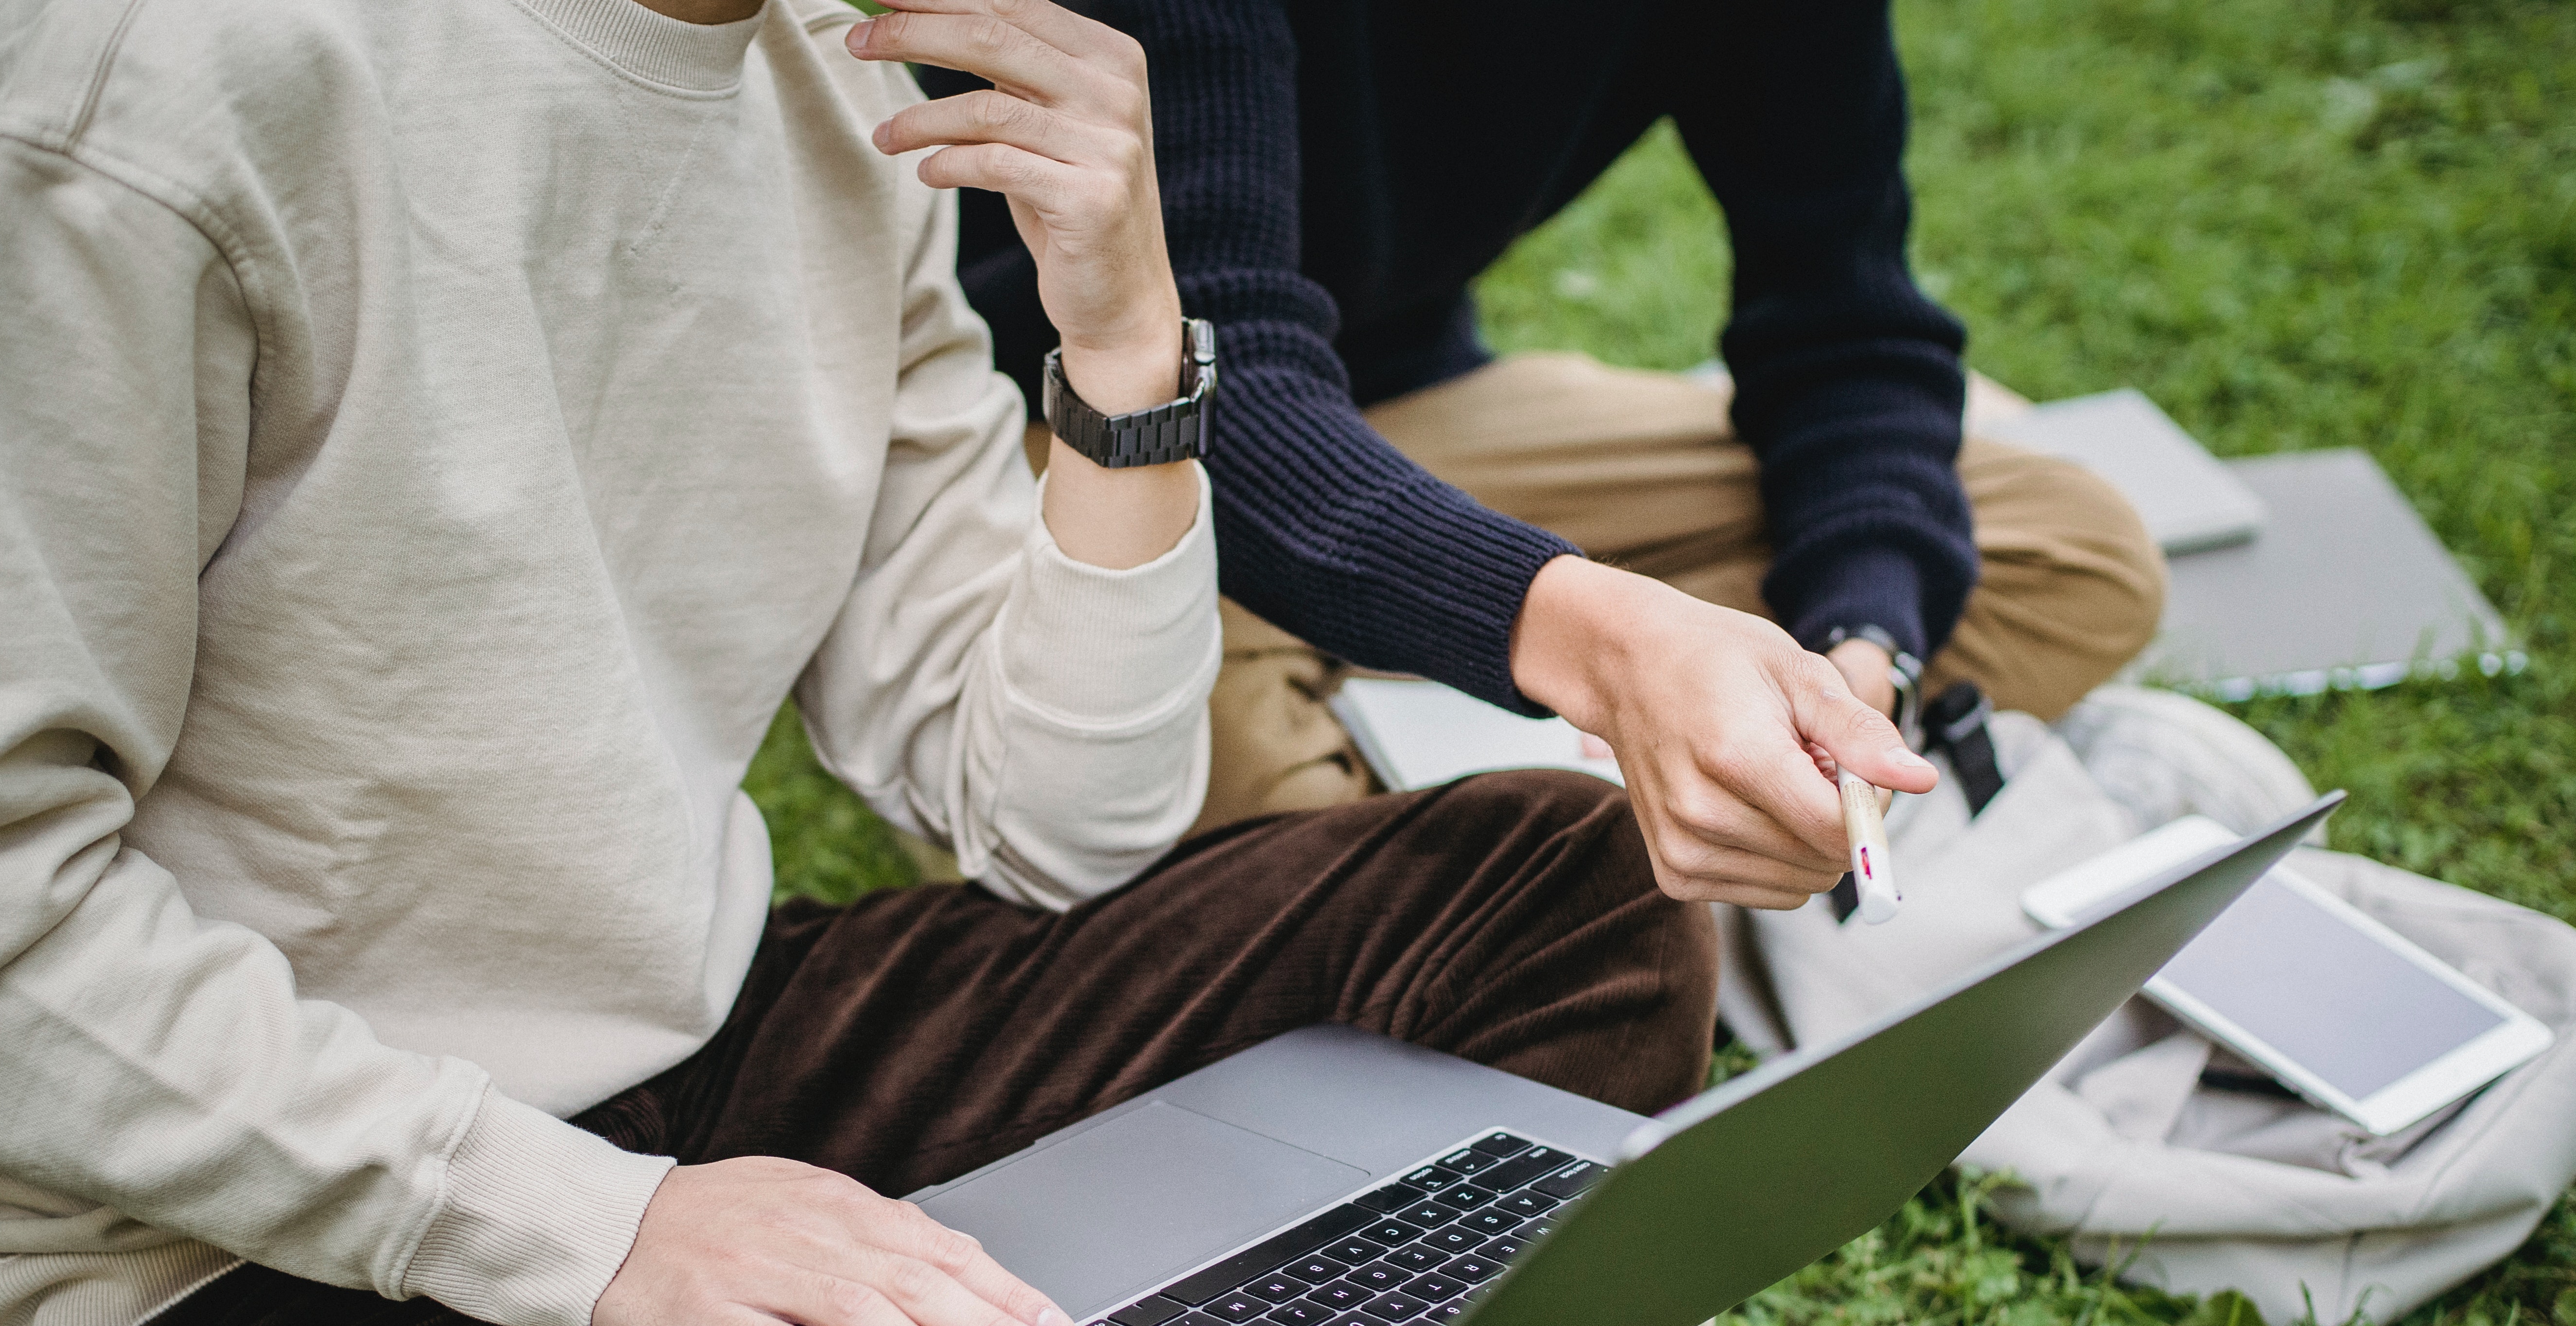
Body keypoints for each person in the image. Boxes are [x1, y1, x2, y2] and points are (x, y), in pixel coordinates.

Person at [0, 0, 1881, 1326]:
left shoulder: (840, 95)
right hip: (227, 1302)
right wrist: (605, 1233)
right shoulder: (149, 101)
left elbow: (1055, 817)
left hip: (717, 1064)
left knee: (1570, 883)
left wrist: (1129, 350)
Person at [928, 0, 2169, 865]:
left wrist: (1858, 643)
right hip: (1075, 431)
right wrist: (1601, 641)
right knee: (1194, 826)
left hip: (1406, 400)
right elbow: (1204, 357)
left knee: (2067, 547)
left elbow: (1848, 323)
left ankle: (1483, 777)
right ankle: (1449, 786)